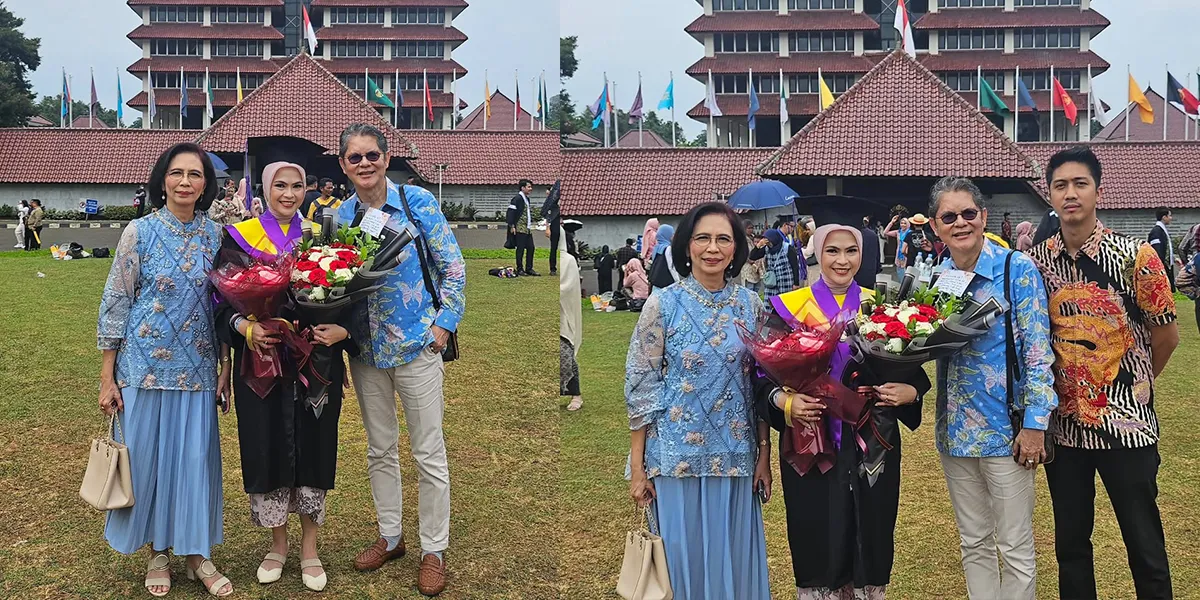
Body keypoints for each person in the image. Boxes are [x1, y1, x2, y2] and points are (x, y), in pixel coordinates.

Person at [1026, 147, 1179, 600]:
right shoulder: (1036, 262)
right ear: (1049, 195)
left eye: (1080, 184)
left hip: (1127, 425)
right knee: (1071, 545)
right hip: (1065, 429)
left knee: (1144, 542)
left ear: (1098, 191)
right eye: (1060, 185)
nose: (1070, 194)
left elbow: (1166, 334)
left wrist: (1140, 384)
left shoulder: (1137, 258)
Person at [753, 223, 931, 599]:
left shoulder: (879, 305)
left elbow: (912, 372)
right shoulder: (788, 307)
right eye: (832, 251)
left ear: (862, 255)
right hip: (811, 436)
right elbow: (760, 376)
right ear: (818, 252)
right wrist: (786, 402)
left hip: (871, 439)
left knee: (872, 526)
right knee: (815, 527)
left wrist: (910, 391)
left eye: (851, 251)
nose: (842, 260)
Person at [333, 123, 465, 596]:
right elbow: (337, 284)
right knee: (379, 448)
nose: (364, 164)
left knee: (428, 451)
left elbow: (452, 265)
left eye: (372, 155)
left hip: (416, 346)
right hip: (367, 351)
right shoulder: (340, 217)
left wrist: (443, 324)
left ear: (387, 158)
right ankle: (391, 537)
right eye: (354, 158)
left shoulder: (418, 203)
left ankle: (434, 548)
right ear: (343, 164)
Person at [96, 142, 232, 597]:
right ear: (162, 179)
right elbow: (116, 301)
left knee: (194, 463)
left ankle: (197, 555)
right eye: (177, 173)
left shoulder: (218, 236)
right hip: (143, 368)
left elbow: (224, 308)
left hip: (197, 368)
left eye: (195, 175)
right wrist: (107, 375)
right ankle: (157, 552)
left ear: (206, 185)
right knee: (150, 462)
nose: (185, 182)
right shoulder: (139, 231)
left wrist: (225, 366)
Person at [214, 161, 354, 593]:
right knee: (266, 445)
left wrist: (337, 326)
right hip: (263, 363)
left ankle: (310, 547)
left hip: (314, 364)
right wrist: (247, 327)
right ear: (264, 188)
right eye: (280, 185)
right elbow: (220, 301)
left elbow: (347, 297)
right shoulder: (240, 236)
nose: (289, 194)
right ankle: (277, 545)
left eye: (298, 186)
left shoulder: (322, 236)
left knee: (315, 447)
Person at [625, 201, 770, 600]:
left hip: (736, 455)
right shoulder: (662, 304)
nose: (713, 248)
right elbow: (641, 385)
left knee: (733, 563)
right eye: (702, 238)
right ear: (687, 246)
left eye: (724, 239)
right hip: (674, 458)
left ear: (736, 248)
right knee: (681, 564)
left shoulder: (751, 307)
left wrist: (764, 455)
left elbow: (760, 389)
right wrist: (638, 468)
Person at [928, 176, 1057, 600]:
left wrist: (1036, 424)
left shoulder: (1014, 268)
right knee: (974, 542)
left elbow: (1038, 351)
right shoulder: (939, 277)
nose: (960, 222)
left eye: (969, 213)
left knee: (1015, 546)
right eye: (950, 216)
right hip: (956, 434)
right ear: (935, 226)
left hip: (1008, 432)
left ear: (983, 217)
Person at [557, 225, 584, 412]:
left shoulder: (568, 260)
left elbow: (567, 287)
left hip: (562, 313)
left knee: (565, 356)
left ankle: (576, 394)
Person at [750, 229, 802, 297]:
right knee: (770, 304)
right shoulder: (767, 249)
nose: (768, 243)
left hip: (786, 282)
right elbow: (752, 257)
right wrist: (758, 246)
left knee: (785, 303)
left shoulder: (787, 248)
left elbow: (795, 266)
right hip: (772, 283)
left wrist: (796, 283)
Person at [507, 179, 539, 276]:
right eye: (528, 187)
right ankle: (520, 269)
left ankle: (529, 268)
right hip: (520, 227)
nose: (531, 189)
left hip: (527, 228)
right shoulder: (517, 199)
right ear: (522, 188)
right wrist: (512, 226)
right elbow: (510, 213)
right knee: (520, 248)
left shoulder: (527, 199)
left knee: (531, 248)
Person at [1148, 207, 1177, 292]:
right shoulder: (1156, 232)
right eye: (1169, 216)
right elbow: (1157, 251)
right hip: (1161, 268)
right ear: (1164, 217)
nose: (1171, 218)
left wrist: (1174, 259)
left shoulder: (1163, 230)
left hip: (1167, 267)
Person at [647, 224, 679, 289]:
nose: (674, 236)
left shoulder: (656, 247)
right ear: (667, 235)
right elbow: (671, 267)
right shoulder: (668, 248)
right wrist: (678, 281)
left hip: (656, 282)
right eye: (672, 234)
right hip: (666, 284)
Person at [857, 215, 882, 290]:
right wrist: (877, 268)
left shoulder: (850, 234)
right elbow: (877, 255)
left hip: (852, 275)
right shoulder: (873, 235)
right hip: (869, 274)